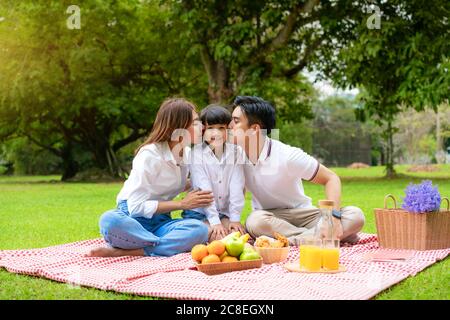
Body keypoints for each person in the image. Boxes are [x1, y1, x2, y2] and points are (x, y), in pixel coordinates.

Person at [228, 96, 365, 245]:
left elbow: (331, 178)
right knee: (254, 221)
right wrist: (230, 220)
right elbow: (237, 191)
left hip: (304, 214)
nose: (229, 126)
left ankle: (293, 240)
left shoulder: (287, 155)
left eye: (235, 121)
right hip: (268, 217)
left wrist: (333, 218)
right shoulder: (236, 157)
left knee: (356, 216)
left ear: (254, 129)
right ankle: (324, 237)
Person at [87, 98, 214, 257]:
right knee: (109, 220)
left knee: (199, 230)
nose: (202, 127)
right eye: (196, 122)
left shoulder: (187, 154)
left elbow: (178, 184)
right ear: (178, 126)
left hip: (161, 222)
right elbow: (135, 207)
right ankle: (163, 245)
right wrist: (182, 204)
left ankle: (128, 250)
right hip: (132, 220)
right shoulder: (150, 155)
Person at [183, 105, 246, 242]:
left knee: (238, 237)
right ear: (203, 130)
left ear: (227, 130)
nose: (216, 133)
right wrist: (214, 222)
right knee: (218, 238)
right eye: (210, 128)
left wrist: (234, 219)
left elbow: (237, 186)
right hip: (199, 212)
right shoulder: (196, 154)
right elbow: (204, 190)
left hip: (223, 212)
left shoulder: (236, 152)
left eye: (221, 128)